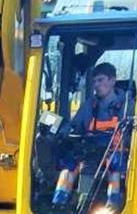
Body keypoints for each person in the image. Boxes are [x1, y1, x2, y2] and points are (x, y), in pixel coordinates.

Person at [52, 62, 132, 205]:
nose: (96, 85)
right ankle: (59, 203)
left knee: (114, 167)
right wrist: (63, 132)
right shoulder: (90, 104)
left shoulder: (127, 106)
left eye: (100, 80)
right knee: (69, 165)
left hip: (115, 151)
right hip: (91, 149)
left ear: (112, 81)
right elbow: (75, 125)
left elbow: (134, 133)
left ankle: (113, 205)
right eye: (94, 81)